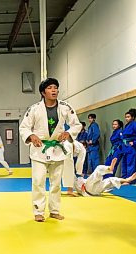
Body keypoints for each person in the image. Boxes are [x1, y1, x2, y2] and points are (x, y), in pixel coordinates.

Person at [19, 78, 82, 222]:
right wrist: (31, 135)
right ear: (43, 92)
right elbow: (24, 127)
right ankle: (38, 211)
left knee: (56, 182)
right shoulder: (34, 109)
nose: (54, 90)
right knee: (38, 181)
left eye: (55, 88)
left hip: (57, 149)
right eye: (50, 88)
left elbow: (76, 125)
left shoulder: (65, 107)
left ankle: (54, 210)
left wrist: (68, 133)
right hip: (39, 149)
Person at [121, 108, 136, 183]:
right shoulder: (126, 126)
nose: (127, 118)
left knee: (131, 163)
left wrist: (134, 142)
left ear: (133, 117)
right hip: (125, 146)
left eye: (128, 117)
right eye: (126, 117)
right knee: (124, 163)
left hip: (132, 147)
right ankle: (124, 179)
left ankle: (130, 180)